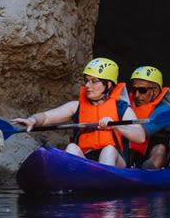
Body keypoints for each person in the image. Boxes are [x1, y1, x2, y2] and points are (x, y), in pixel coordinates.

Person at [12, 57, 146, 167]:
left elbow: (140, 137)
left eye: (94, 81)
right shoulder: (76, 106)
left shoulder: (121, 108)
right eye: (87, 81)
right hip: (86, 158)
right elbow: (46, 117)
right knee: (71, 147)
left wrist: (116, 125)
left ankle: (103, 186)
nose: (87, 86)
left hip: (115, 161)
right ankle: (68, 183)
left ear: (108, 85)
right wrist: (32, 120)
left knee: (109, 150)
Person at [123, 65, 170, 170]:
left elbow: (142, 134)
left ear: (155, 90)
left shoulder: (164, 110)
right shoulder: (126, 104)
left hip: (154, 148)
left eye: (142, 90)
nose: (136, 95)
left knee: (159, 148)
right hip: (131, 151)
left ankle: (152, 168)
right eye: (134, 89)